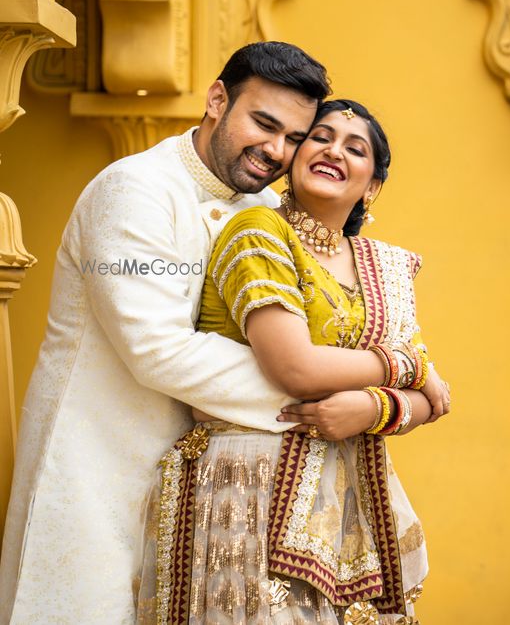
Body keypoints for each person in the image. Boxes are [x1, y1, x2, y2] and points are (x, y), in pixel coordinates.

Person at [0, 42, 341, 624]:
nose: (275, 151)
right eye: (263, 123)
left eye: (293, 138)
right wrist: (321, 393)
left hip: (206, 494)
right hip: (96, 474)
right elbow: (159, 353)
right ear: (216, 100)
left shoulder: (261, 207)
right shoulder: (134, 191)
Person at [136, 99, 441, 624]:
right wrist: (404, 367)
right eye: (320, 137)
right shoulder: (259, 232)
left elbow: (433, 403)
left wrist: (369, 411)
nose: (333, 151)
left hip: (355, 498)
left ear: (372, 186)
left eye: (355, 147)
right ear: (297, 157)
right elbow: (295, 370)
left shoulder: (383, 267)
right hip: (249, 483)